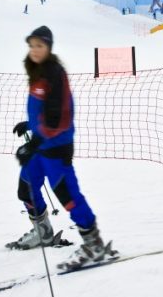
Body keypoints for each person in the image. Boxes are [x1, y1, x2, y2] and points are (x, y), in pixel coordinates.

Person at [11, 26, 116, 270]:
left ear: (49, 47)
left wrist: (37, 139)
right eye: (32, 45)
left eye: (40, 45)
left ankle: (95, 245)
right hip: (40, 145)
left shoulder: (55, 74)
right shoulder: (37, 72)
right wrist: (30, 124)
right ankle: (43, 233)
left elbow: (60, 117)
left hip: (56, 147)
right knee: (26, 189)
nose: (35, 50)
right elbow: (44, 109)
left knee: (68, 197)